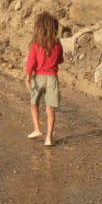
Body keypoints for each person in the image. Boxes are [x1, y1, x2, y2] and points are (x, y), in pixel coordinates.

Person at [25, 12, 63, 146]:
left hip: (39, 77)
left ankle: (37, 129)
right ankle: (49, 138)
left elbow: (31, 61)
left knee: (34, 102)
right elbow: (60, 60)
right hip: (52, 78)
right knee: (50, 108)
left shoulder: (36, 44)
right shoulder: (57, 44)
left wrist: (28, 76)